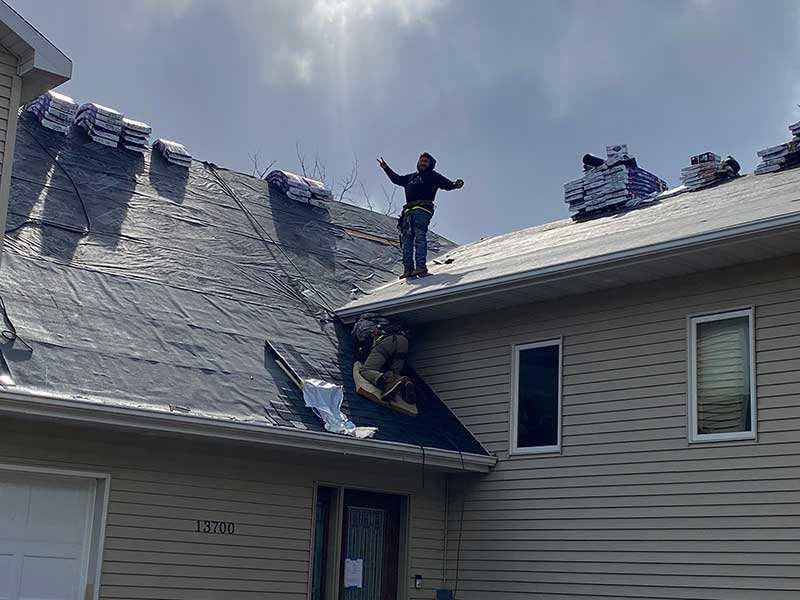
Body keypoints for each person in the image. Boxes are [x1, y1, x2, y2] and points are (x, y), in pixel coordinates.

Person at [378, 152, 464, 278]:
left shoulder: (433, 176)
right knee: (407, 241)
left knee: (419, 237)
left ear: (430, 164)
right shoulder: (410, 178)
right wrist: (386, 168)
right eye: (421, 161)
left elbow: (446, 184)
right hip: (408, 212)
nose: (423, 163)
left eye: (425, 161)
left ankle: (420, 267)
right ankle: (408, 269)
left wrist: (455, 184)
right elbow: (396, 179)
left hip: (422, 210)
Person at [352, 312, 412, 401]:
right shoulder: (381, 319)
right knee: (393, 372)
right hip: (403, 341)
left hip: (387, 342)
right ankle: (406, 384)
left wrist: (360, 356)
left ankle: (387, 383)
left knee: (365, 370)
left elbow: (367, 343)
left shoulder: (360, 326)